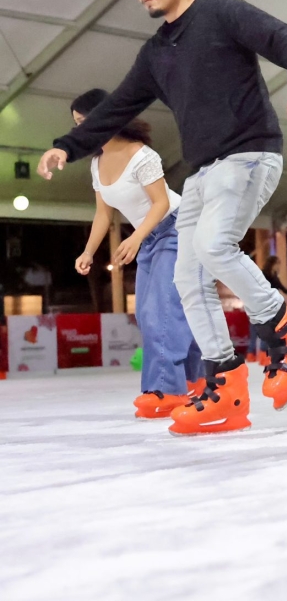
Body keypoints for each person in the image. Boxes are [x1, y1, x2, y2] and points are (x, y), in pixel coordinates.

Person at [38, 0, 287, 436]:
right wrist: (68, 145)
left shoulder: (222, 14)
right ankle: (225, 388)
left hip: (250, 153)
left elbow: (281, 37)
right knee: (186, 280)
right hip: (204, 170)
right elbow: (117, 107)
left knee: (214, 247)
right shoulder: (155, 52)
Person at [71, 89, 203, 419]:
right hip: (149, 235)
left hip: (177, 228)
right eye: (76, 125)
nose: (81, 131)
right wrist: (88, 251)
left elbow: (160, 203)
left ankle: (166, 391)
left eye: (85, 122)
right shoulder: (97, 163)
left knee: (162, 310)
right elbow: (104, 214)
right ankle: (199, 380)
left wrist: (136, 238)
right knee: (150, 314)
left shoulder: (142, 155)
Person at [246, 256, 287, 362]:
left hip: (269, 305)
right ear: (273, 263)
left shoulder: (274, 275)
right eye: (278, 263)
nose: (279, 266)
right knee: (257, 330)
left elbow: (282, 288)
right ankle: (252, 354)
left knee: (267, 330)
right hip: (258, 304)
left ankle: (263, 354)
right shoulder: (262, 274)